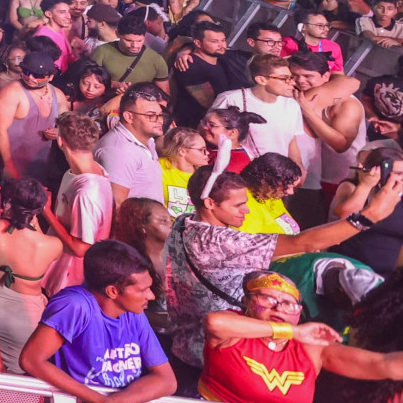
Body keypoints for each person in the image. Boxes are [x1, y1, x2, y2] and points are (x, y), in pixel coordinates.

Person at [163, 164, 403, 389]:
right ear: (210, 203)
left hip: (185, 345)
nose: (246, 210)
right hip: (218, 353)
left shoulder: (184, 223)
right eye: (238, 205)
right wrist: (369, 216)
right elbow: (303, 243)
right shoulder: (216, 241)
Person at [20, 240, 176, 403]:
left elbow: (167, 380)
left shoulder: (135, 313)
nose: (151, 296)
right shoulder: (75, 305)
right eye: (143, 290)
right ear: (112, 291)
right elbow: (31, 360)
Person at [200, 270, 403, 403]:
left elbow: (384, 364)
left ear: (299, 312)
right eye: (268, 299)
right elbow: (213, 322)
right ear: (247, 302)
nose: (279, 308)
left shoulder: (311, 348)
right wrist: (292, 332)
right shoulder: (235, 326)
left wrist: (293, 335)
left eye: (289, 303)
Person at [0, 178, 64, 374]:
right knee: (14, 381)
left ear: (9, 201)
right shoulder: (53, 245)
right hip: (25, 323)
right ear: (39, 210)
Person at [44, 112, 115, 295]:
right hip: (57, 266)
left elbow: (81, 248)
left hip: (69, 280)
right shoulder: (85, 172)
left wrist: (46, 212)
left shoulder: (87, 192)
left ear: (60, 141)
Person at [0, 51, 67, 181]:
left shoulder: (58, 95)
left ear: (50, 77)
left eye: (37, 75)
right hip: (15, 165)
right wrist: (8, 165)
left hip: (42, 166)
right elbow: (0, 130)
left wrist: (59, 132)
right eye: (27, 72)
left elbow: (67, 125)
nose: (30, 78)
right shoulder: (11, 93)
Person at [94, 84, 168, 208]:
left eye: (160, 114)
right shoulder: (119, 151)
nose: (159, 120)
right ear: (129, 117)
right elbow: (117, 205)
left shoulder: (148, 140)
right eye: (151, 115)